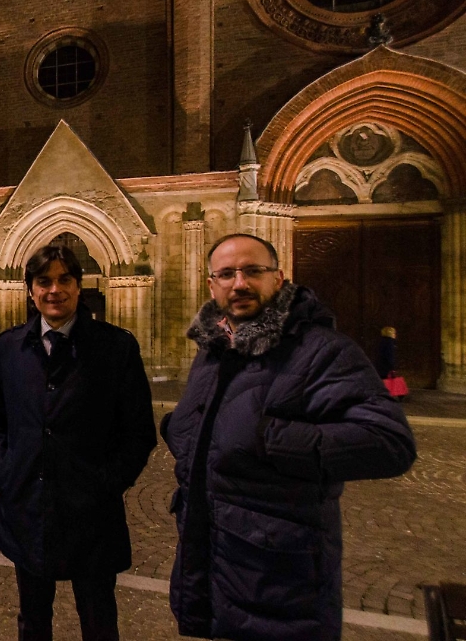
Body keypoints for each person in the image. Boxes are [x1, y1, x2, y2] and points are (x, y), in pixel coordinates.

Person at [160, 233, 416, 641]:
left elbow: (389, 442)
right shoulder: (213, 351)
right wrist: (181, 431)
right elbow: (218, 432)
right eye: (226, 274)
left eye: (253, 271)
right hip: (215, 568)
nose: (239, 283)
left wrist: (268, 438)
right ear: (212, 285)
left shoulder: (321, 350)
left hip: (282, 586)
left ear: (279, 279)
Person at [0, 244, 157, 641]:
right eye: (44, 281)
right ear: (30, 290)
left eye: (64, 280)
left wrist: (107, 483)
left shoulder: (115, 348)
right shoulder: (11, 346)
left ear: (79, 287)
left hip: (91, 516)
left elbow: (139, 432)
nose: (54, 290)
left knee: (98, 623)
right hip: (27, 508)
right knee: (32, 622)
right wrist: (1, 473)